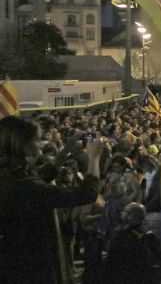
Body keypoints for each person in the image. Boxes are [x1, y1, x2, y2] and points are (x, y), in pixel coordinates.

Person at [0, 116, 102, 284]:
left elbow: (41, 176)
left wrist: (66, 150)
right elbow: (87, 193)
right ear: (23, 145)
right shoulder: (22, 185)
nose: (40, 144)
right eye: (37, 139)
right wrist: (95, 157)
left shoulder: (10, 173)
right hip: (30, 268)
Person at [104, 202, 160, 284]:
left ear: (130, 216)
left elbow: (112, 262)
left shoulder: (121, 236)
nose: (121, 213)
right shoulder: (148, 234)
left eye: (124, 211)